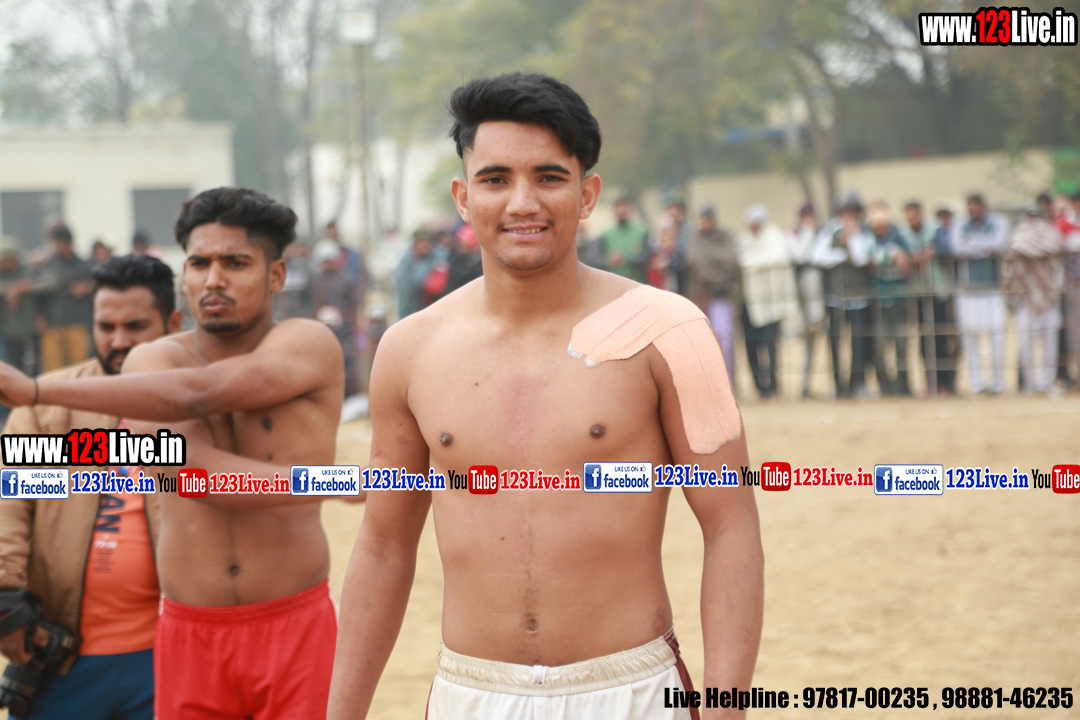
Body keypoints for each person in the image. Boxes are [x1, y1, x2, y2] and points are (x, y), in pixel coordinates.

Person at [328, 72, 762, 720]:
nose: (522, 202)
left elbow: (731, 526)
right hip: (472, 694)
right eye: (496, 179)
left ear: (588, 194)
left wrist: (727, 711)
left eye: (549, 177)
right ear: (463, 196)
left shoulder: (669, 330)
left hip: (631, 691)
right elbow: (384, 545)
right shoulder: (409, 349)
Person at [0, 187, 347, 719]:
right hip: (189, 631)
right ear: (184, 273)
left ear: (276, 274)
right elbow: (193, 476)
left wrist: (36, 390)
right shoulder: (151, 363)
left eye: (236, 263)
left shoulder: (309, 343)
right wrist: (333, 481)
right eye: (199, 263)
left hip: (293, 620)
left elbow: (206, 392)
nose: (214, 279)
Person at [0, 254, 182, 720]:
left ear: (173, 323)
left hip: (172, 660)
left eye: (135, 326)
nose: (118, 341)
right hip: (60, 661)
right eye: (106, 326)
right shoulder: (44, 408)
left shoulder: (203, 404)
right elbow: (10, 503)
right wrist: (6, 602)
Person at [813, 197, 875, 398]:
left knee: (859, 344)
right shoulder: (830, 231)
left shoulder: (865, 233)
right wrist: (842, 256)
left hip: (858, 298)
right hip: (835, 299)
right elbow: (817, 256)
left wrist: (853, 240)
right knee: (835, 344)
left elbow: (861, 258)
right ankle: (838, 386)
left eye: (852, 214)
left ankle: (857, 383)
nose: (848, 218)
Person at [737, 204, 799, 400]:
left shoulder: (774, 236)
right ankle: (759, 386)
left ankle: (773, 385)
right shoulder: (744, 240)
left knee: (770, 345)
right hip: (750, 302)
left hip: (772, 302)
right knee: (751, 345)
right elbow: (741, 260)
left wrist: (754, 264)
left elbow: (780, 257)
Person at [951, 194, 1010, 395]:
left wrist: (973, 243)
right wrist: (985, 248)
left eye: (977, 206)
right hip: (967, 290)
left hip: (993, 289)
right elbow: (957, 248)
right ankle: (976, 384)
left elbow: (1000, 245)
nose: (974, 210)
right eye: (971, 207)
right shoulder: (960, 224)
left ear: (984, 207)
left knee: (997, 335)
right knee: (970, 337)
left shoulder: (999, 222)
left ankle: (998, 383)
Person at [1003, 207, 1065, 394]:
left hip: (1048, 298)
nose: (1033, 222)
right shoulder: (1019, 234)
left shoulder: (1051, 234)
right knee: (1025, 345)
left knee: (1050, 346)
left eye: (1036, 217)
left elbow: (1053, 247)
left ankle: (1047, 383)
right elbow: (1015, 250)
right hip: (1026, 298)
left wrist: (1031, 249)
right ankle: (1030, 385)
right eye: (1030, 217)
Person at [687, 206, 739, 385]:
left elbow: (732, 260)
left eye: (706, 218)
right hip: (702, 295)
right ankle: (709, 385)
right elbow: (694, 262)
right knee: (703, 342)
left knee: (724, 339)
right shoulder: (696, 240)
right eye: (700, 218)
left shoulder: (725, 237)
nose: (702, 222)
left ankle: (727, 383)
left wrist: (711, 264)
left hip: (722, 295)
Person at [866, 202, 914, 397]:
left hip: (899, 299)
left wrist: (894, 256)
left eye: (883, 225)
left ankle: (903, 386)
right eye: (877, 226)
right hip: (880, 300)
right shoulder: (869, 239)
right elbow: (870, 260)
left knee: (901, 345)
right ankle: (884, 386)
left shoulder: (899, 237)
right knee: (879, 347)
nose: (880, 229)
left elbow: (907, 262)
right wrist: (890, 255)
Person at [35, 222, 94, 372]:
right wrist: (40, 317)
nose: (54, 246)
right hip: (52, 323)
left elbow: (100, 286)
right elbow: (39, 292)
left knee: (79, 366)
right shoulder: (47, 265)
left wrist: (88, 287)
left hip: (78, 321)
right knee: (53, 368)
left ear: (67, 243)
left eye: (57, 242)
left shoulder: (84, 266)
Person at [786, 204, 825, 398]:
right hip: (803, 300)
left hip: (826, 297)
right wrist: (810, 233)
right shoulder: (794, 234)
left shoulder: (823, 233)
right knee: (807, 346)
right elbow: (800, 255)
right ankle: (804, 386)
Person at [597, 195, 650, 282]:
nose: (621, 210)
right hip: (613, 283)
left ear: (630, 208)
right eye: (618, 206)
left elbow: (647, 256)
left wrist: (625, 260)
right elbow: (595, 258)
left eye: (624, 206)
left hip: (637, 282)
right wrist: (609, 260)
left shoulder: (642, 232)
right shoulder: (605, 234)